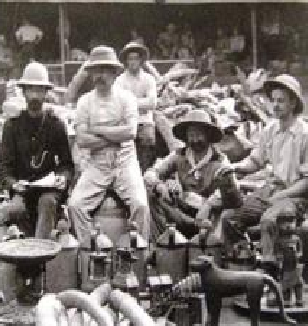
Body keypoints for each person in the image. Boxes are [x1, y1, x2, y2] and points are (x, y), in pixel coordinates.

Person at [221, 74, 308, 278]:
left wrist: (282, 196)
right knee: (229, 218)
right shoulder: (270, 129)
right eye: (273, 100)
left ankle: (272, 273)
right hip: (272, 189)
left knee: (269, 220)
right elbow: (256, 161)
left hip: (296, 195)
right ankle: (246, 265)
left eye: (281, 101)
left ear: (293, 102)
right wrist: (235, 168)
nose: (275, 105)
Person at [67, 46, 150, 243]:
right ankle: (92, 250)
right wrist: (114, 136)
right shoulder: (84, 102)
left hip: (125, 162)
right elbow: (81, 140)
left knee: (140, 205)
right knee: (75, 206)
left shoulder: (126, 98)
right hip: (97, 164)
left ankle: (139, 255)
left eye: (105, 70)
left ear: (114, 73)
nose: (100, 75)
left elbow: (130, 132)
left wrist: (97, 129)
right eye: (96, 70)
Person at [0, 61, 74, 239]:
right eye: (31, 90)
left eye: (39, 90)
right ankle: (18, 255)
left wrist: (63, 178)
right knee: (8, 212)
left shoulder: (56, 125)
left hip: (48, 190)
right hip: (22, 189)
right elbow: (4, 168)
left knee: (47, 202)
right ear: (24, 92)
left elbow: (67, 164)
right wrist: (13, 184)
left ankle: (39, 255)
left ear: (46, 92)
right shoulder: (12, 126)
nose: (35, 95)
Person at [144, 109, 241, 241]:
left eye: (199, 135)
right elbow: (150, 174)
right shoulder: (180, 155)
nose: (195, 140)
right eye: (191, 135)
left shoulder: (220, 161)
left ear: (208, 136)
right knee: (151, 197)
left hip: (207, 218)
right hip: (182, 212)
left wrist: (209, 204)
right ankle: (162, 245)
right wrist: (160, 185)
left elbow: (233, 192)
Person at [115, 42, 157, 173]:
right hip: (127, 121)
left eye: (136, 58)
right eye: (130, 59)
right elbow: (118, 103)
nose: (133, 62)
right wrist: (139, 103)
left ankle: (146, 174)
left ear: (141, 60)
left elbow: (152, 103)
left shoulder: (149, 79)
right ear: (126, 61)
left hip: (144, 122)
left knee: (147, 138)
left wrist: (130, 102)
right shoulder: (120, 80)